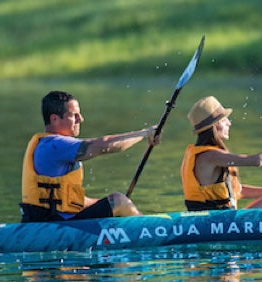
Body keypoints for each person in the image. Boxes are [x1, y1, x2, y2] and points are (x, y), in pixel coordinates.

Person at [21, 90, 160, 222]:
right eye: (74, 115)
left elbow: (71, 201)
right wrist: (144, 134)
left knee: (115, 202)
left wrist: (105, 207)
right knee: (118, 201)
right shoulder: (55, 145)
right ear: (55, 119)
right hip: (54, 223)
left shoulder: (47, 144)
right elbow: (104, 145)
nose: (80, 119)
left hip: (48, 220)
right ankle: (150, 230)